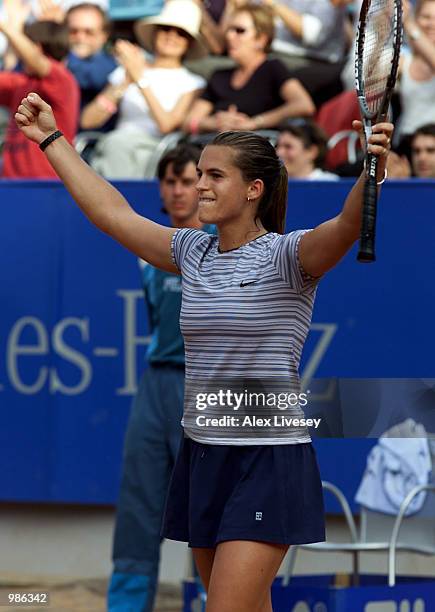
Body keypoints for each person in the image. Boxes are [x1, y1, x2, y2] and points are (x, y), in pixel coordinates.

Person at [14, 90, 392, 612]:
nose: (199, 185)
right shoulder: (193, 252)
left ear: (254, 189)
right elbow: (112, 213)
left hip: (268, 457)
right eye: (199, 173)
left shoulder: (289, 256)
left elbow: (346, 226)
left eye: (215, 176)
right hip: (204, 454)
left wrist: (370, 171)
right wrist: (52, 140)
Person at [107, 144, 214, 612]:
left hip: (207, 389)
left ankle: (215, 600)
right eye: (169, 182)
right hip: (155, 388)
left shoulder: (222, 246)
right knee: (137, 507)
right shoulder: (148, 248)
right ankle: (126, 605)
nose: (177, 191)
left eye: (187, 181)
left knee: (208, 508)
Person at [80, 0, 207, 178]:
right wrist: (125, 82)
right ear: (155, 32)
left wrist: (139, 78)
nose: (172, 36)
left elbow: (167, 125)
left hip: (157, 149)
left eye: (181, 33)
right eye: (165, 29)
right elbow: (88, 120)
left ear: (189, 43)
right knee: (114, 145)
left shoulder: (193, 82)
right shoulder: (127, 70)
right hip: (116, 145)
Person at [183, 2, 315, 135]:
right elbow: (189, 122)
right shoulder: (219, 76)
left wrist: (255, 123)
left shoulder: (272, 69)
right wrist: (216, 122)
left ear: (261, 39)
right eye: (229, 29)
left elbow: (304, 105)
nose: (229, 36)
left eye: (239, 30)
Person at [0, 17, 79, 178]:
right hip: (13, 182)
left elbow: (37, 62)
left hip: (50, 181)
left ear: (36, 47)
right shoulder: (21, 82)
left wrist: (4, 25)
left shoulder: (62, 78)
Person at [396, 0, 435, 142]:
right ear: (417, 18)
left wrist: (408, 23)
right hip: (406, 141)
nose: (431, 24)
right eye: (426, 17)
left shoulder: (410, 25)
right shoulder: (404, 59)